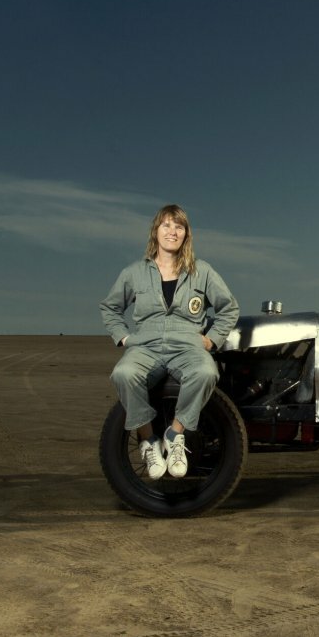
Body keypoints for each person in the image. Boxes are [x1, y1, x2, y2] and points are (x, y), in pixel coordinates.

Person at [100, 204, 239, 479]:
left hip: (187, 345)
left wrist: (211, 340)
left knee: (206, 372)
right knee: (124, 374)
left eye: (179, 227)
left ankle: (175, 435)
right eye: (166, 225)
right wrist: (124, 337)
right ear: (156, 231)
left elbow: (229, 308)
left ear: (186, 234)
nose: (172, 232)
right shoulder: (133, 272)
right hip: (146, 345)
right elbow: (110, 308)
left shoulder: (203, 271)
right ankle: (149, 441)